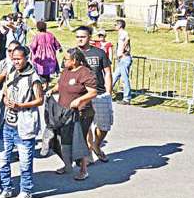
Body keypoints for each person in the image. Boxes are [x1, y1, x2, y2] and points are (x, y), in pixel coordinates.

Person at [0, 46, 43, 198]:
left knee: (25, 161)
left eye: (19, 58)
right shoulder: (10, 71)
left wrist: (20, 106)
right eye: (13, 58)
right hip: (7, 123)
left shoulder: (33, 76)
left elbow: (39, 99)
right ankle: (6, 187)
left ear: (26, 58)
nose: (16, 61)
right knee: (3, 159)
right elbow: (5, 91)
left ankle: (26, 189)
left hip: (24, 124)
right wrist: (5, 100)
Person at [47, 48, 97, 180]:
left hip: (82, 113)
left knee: (79, 141)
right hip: (64, 112)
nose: (63, 61)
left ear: (74, 60)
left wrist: (79, 100)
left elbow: (93, 92)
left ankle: (83, 169)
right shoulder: (66, 71)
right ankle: (67, 164)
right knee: (60, 140)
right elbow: (61, 85)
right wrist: (52, 90)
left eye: (66, 59)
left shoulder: (85, 73)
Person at [74, 26, 113, 164]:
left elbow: (107, 72)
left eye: (83, 36)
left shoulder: (99, 53)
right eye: (77, 36)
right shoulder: (72, 54)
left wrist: (108, 92)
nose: (80, 39)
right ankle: (88, 153)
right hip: (81, 95)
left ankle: (97, 144)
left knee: (104, 126)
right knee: (85, 126)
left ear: (90, 37)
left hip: (100, 93)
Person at [113, 19, 132, 105]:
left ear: (120, 26)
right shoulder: (120, 34)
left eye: (115, 25)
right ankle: (105, 94)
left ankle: (127, 98)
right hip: (121, 59)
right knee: (114, 77)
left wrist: (123, 50)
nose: (114, 26)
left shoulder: (124, 33)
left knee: (125, 79)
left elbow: (127, 39)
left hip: (124, 58)